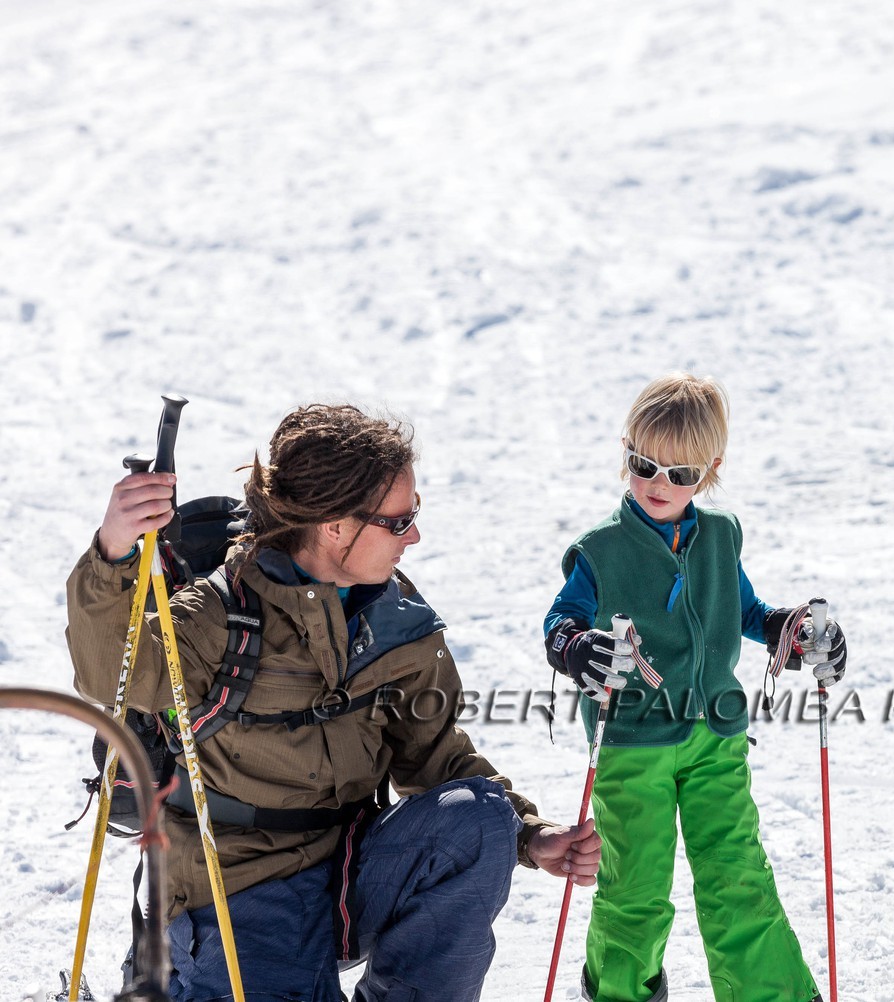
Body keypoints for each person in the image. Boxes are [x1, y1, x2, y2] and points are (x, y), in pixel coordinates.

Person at [66, 404, 601, 1001]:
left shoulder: (394, 619)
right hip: (238, 887)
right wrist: (113, 550)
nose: (414, 536)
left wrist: (529, 834)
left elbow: (436, 758)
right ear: (335, 526)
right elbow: (110, 674)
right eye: (399, 521)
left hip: (350, 867)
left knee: (477, 819)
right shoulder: (220, 615)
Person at [543, 372, 847, 1002]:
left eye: (679, 474)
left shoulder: (720, 537)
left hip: (715, 736)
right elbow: (560, 621)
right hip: (632, 742)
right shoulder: (599, 550)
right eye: (644, 466)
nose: (659, 484)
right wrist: (576, 648)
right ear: (626, 450)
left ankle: (770, 994)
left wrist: (791, 632)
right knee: (635, 884)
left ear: (710, 471)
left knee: (737, 874)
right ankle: (619, 991)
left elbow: (746, 611)